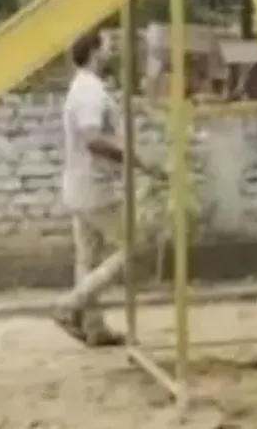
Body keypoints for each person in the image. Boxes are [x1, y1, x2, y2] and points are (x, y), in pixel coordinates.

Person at [51, 30, 164, 346]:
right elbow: (93, 137)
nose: (112, 47)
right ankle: (71, 303)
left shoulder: (82, 87)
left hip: (77, 185)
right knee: (134, 246)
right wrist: (134, 157)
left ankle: (94, 326)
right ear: (95, 50)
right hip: (95, 186)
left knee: (88, 256)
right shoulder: (90, 91)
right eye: (107, 43)